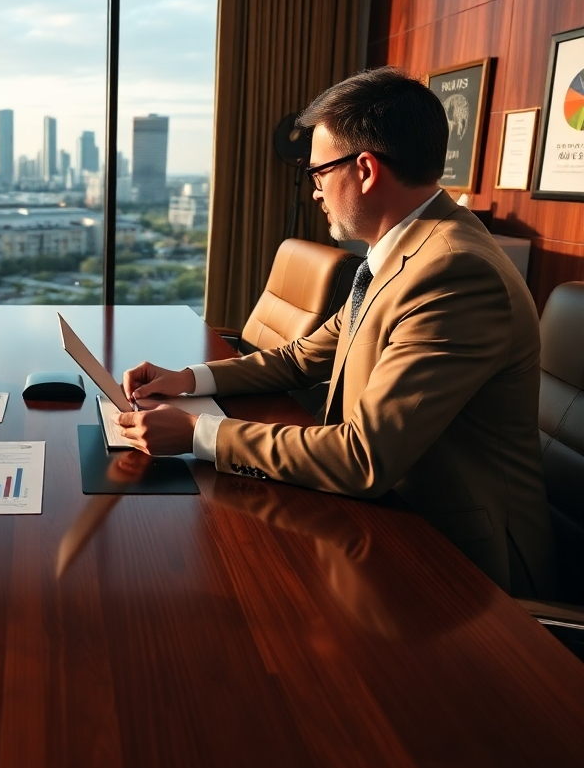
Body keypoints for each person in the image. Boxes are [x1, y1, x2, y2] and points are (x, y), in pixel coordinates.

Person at [118, 67, 556, 597]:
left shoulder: (454, 273)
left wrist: (196, 434)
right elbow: (303, 357)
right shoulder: (401, 252)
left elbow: (362, 457)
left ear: (365, 170)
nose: (316, 192)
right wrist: (188, 380)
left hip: (456, 561)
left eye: (319, 172)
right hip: (384, 516)